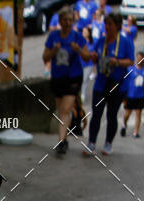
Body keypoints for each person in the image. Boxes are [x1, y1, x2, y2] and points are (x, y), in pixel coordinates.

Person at [84, 13, 134, 157]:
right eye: (106, 24)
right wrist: (93, 57)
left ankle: (108, 143)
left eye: (110, 24)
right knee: (96, 113)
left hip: (117, 85)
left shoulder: (125, 42)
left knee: (111, 115)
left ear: (117, 26)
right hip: (101, 83)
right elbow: (93, 56)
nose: (107, 27)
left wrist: (116, 62)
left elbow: (131, 61)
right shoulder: (101, 41)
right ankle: (91, 143)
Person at [43, 6, 91, 156]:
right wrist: (54, 50)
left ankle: (61, 141)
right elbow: (45, 57)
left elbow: (87, 57)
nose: (68, 23)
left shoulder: (77, 37)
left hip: (73, 78)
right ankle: (63, 139)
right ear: (60, 21)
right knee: (60, 110)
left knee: (65, 109)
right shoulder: (53, 36)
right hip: (58, 78)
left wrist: (78, 50)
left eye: (70, 20)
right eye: (65, 20)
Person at [121, 51, 144, 138]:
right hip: (130, 95)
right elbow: (124, 82)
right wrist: (123, 96)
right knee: (127, 114)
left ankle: (136, 132)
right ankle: (124, 124)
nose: (139, 60)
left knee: (138, 114)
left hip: (140, 96)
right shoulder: (130, 69)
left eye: (141, 59)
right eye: (138, 58)